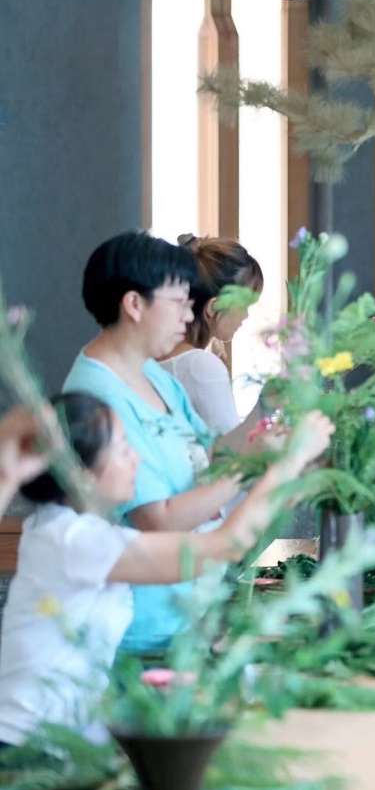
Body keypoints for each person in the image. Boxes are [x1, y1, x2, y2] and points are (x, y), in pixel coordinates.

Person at [0, 393, 331, 747]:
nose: (137, 458)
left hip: (64, 739)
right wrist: (290, 462)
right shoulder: (73, 539)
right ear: (82, 475)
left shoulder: (70, 529)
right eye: (123, 448)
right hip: (28, 747)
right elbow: (224, 545)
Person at [62, 231, 267, 653]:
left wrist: (267, 418)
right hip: (138, 628)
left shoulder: (151, 373)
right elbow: (155, 520)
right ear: (134, 304)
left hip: (185, 611)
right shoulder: (100, 395)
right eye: (178, 302)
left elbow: (207, 454)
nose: (189, 314)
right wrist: (260, 468)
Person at [159, 234, 264, 437]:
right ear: (213, 307)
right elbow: (231, 453)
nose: (246, 315)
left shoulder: (158, 356)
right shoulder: (200, 365)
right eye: (243, 306)